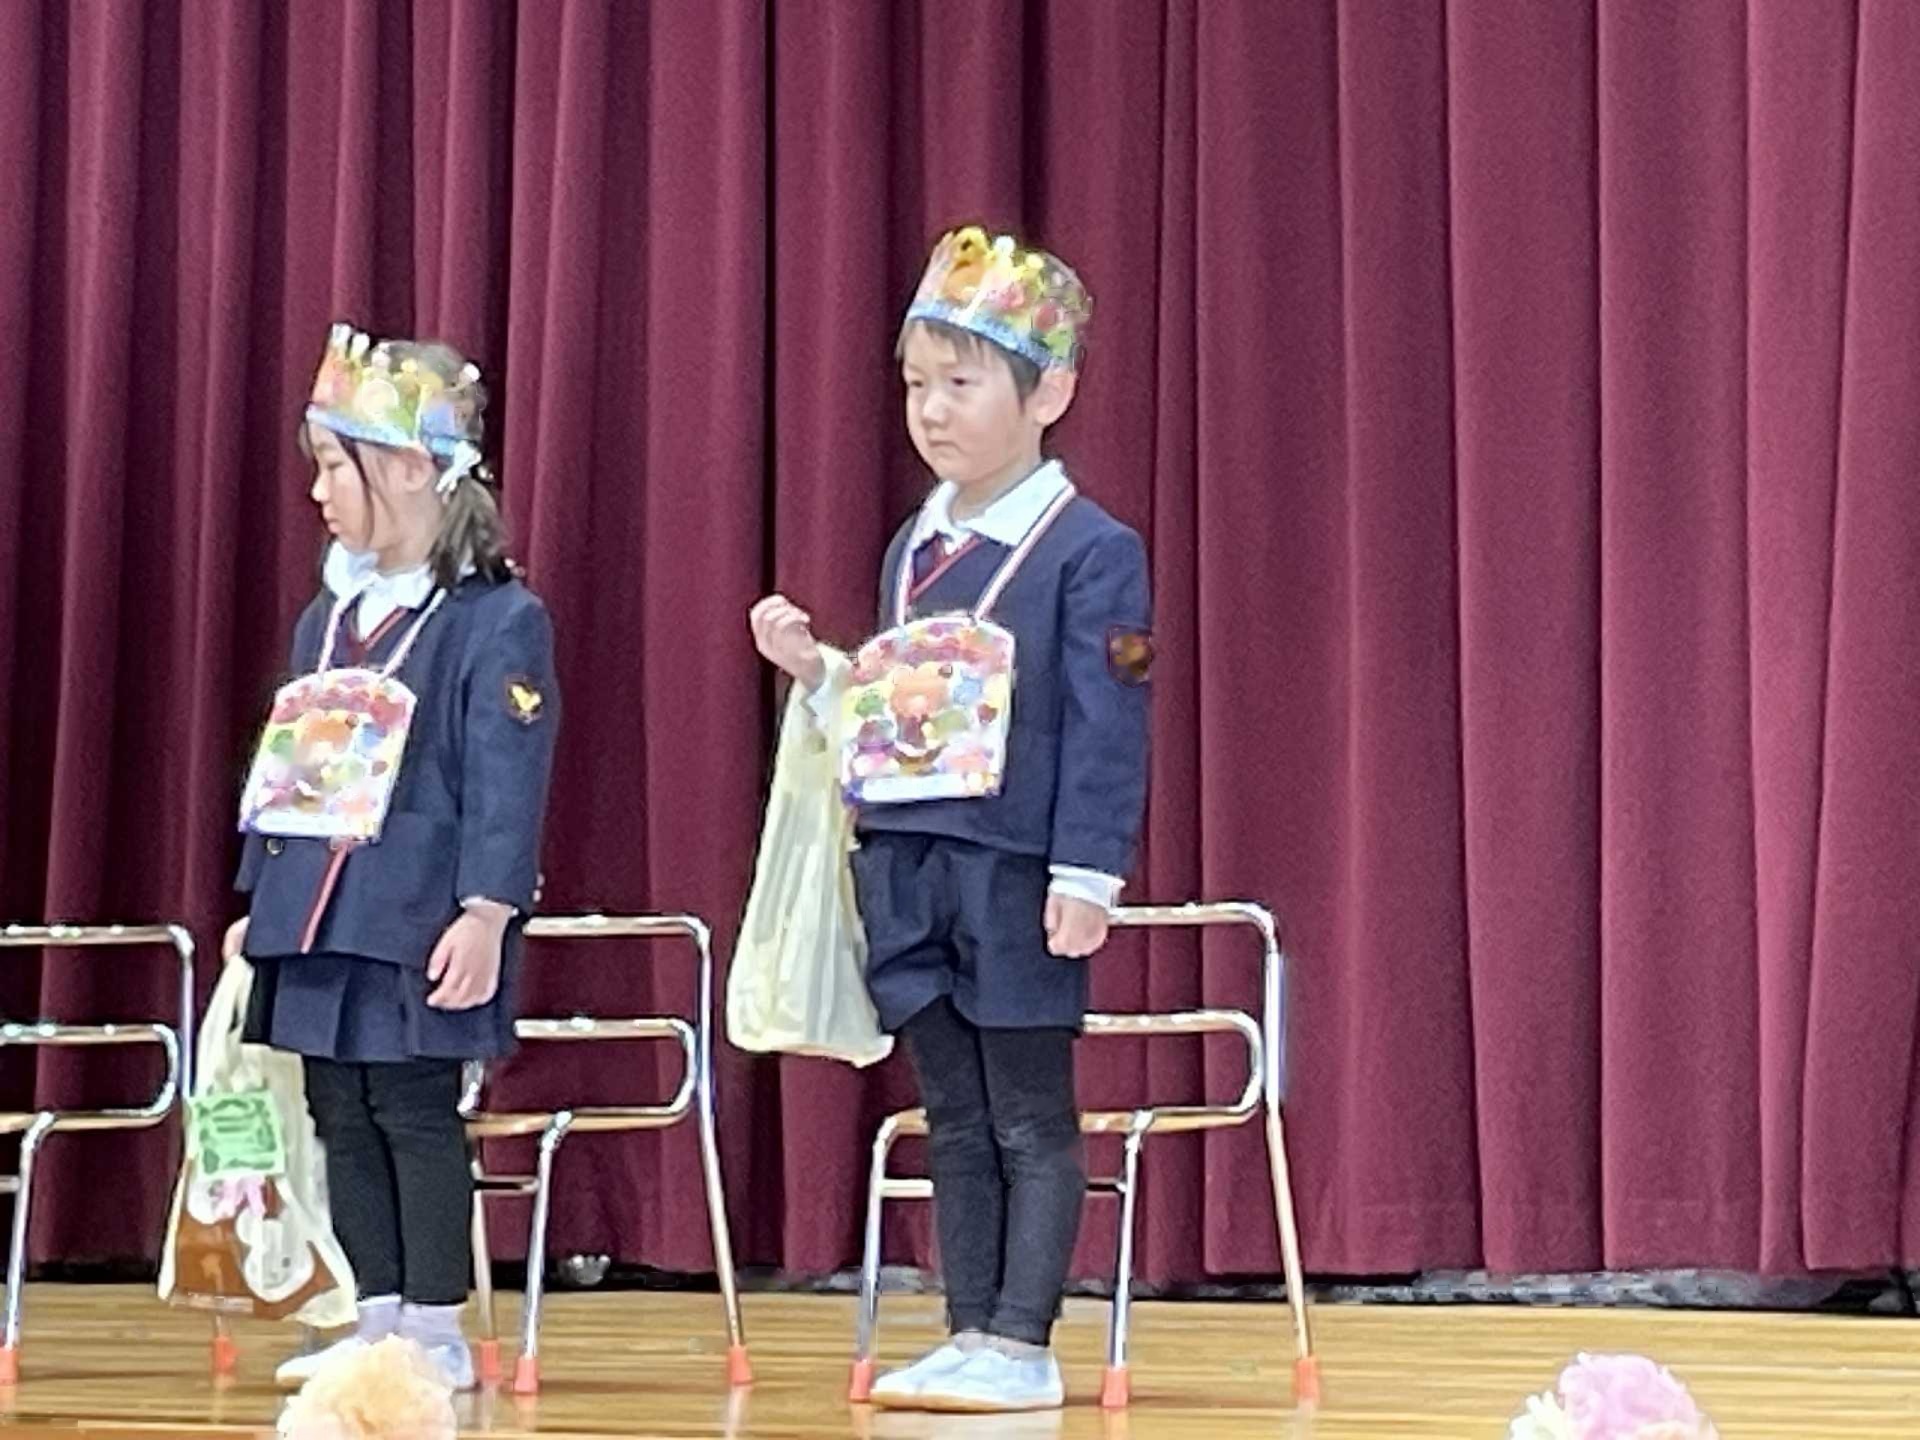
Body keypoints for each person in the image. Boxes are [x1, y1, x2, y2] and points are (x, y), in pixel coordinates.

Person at [749, 225, 1153, 1412]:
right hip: (912, 865)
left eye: (962, 383)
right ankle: (970, 1327)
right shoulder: (914, 546)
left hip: (1014, 868)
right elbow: (901, 705)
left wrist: (1086, 872)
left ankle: (1024, 1340)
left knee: (1028, 1112)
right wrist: (818, 673)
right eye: (917, 384)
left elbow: (1110, 718)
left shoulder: (1092, 549)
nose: (932, 410)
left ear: (1049, 394)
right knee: (955, 1115)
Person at [226, 324, 560, 1390]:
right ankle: (373, 1316)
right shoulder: (326, 620)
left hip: (415, 917)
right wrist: (260, 894)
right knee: (338, 1111)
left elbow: (508, 776)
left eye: (337, 465)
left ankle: (433, 1327)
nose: (318, 490)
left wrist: (487, 911)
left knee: (412, 1112)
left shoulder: (496, 620)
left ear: (413, 468)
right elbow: (289, 764)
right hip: (315, 912)